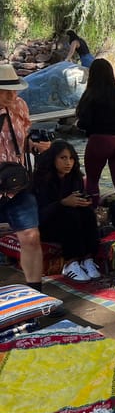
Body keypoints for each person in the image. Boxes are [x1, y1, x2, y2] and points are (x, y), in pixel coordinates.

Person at [0, 64, 44, 291]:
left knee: (31, 236)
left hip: (16, 182)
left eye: (14, 89)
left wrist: (35, 146)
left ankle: (37, 294)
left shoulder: (19, 106)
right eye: (5, 90)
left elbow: (21, 139)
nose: (12, 94)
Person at [32, 140, 101, 282]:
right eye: (63, 158)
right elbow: (39, 214)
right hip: (44, 225)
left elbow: (79, 198)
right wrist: (62, 203)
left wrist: (83, 201)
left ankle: (87, 258)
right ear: (53, 159)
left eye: (71, 158)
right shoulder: (41, 180)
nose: (68, 163)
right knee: (69, 214)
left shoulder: (75, 177)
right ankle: (71, 262)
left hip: (70, 221)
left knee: (87, 213)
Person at [75, 58, 115, 205]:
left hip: (100, 140)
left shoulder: (91, 94)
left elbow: (83, 121)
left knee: (92, 181)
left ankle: (93, 213)